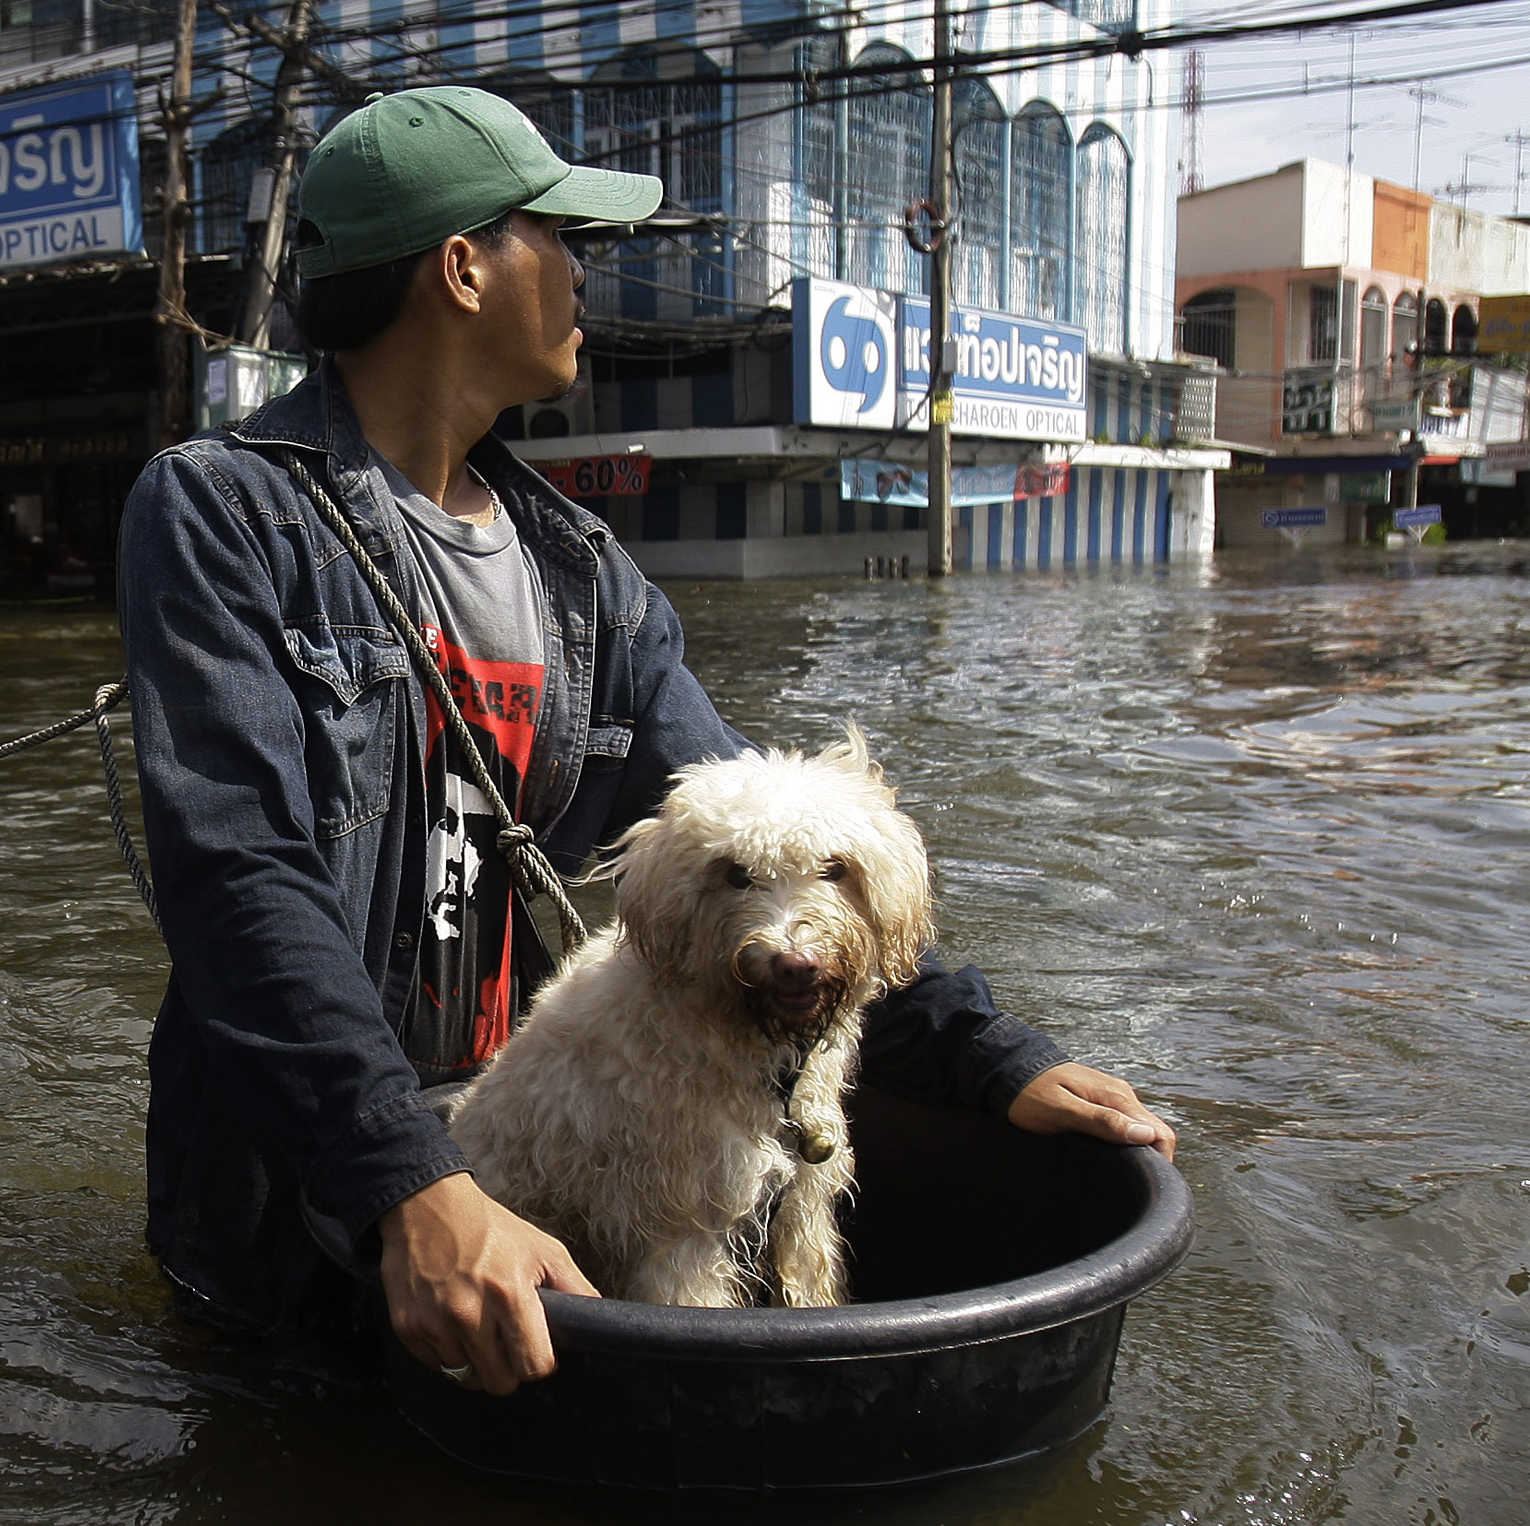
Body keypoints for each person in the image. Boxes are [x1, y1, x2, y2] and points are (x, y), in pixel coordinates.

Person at [115, 86, 1173, 1396]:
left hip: (516, 1150)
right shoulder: (226, 513)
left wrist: (989, 1053)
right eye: (560, 240)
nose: (581, 277)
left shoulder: (584, 576)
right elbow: (240, 874)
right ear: (461, 267)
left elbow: (756, 842)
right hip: (306, 1206)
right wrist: (410, 1182)